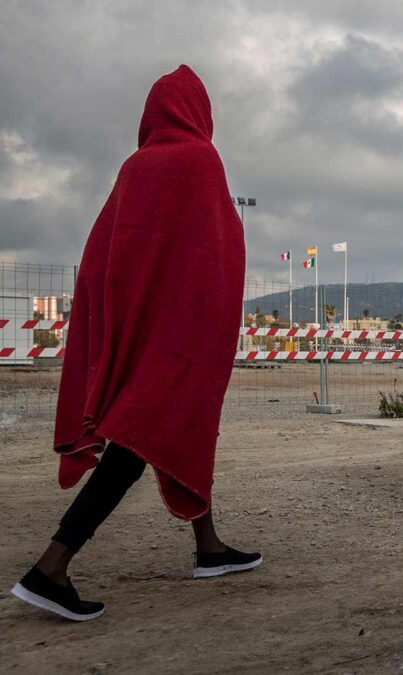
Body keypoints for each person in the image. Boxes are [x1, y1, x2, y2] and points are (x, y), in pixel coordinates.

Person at [11, 66, 261, 623]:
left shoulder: (134, 168)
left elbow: (103, 260)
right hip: (180, 340)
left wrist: (112, 333)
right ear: (199, 111)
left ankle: (209, 547)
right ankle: (51, 567)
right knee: (140, 439)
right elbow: (216, 254)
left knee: (176, 434)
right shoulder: (200, 161)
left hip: (135, 334)